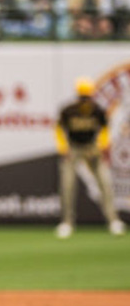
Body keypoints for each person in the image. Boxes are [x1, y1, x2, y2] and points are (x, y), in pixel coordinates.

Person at [55, 77, 126, 238]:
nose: (85, 99)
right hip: (74, 148)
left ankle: (113, 220)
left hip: (91, 148)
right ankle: (66, 222)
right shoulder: (69, 110)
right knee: (67, 184)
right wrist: (63, 147)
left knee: (105, 183)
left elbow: (105, 129)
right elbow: (58, 129)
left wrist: (102, 146)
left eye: (86, 96)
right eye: (83, 96)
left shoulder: (97, 110)